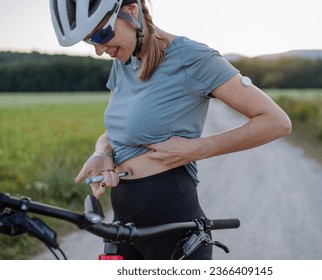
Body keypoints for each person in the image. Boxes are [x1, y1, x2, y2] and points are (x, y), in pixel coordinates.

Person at [49, 0, 292, 260]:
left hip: (172, 218)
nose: (99, 50)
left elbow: (276, 122)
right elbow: (115, 133)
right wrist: (102, 153)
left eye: (101, 34)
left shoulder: (193, 58)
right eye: (90, 41)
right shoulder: (122, 63)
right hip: (123, 219)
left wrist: (195, 149)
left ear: (131, 11)